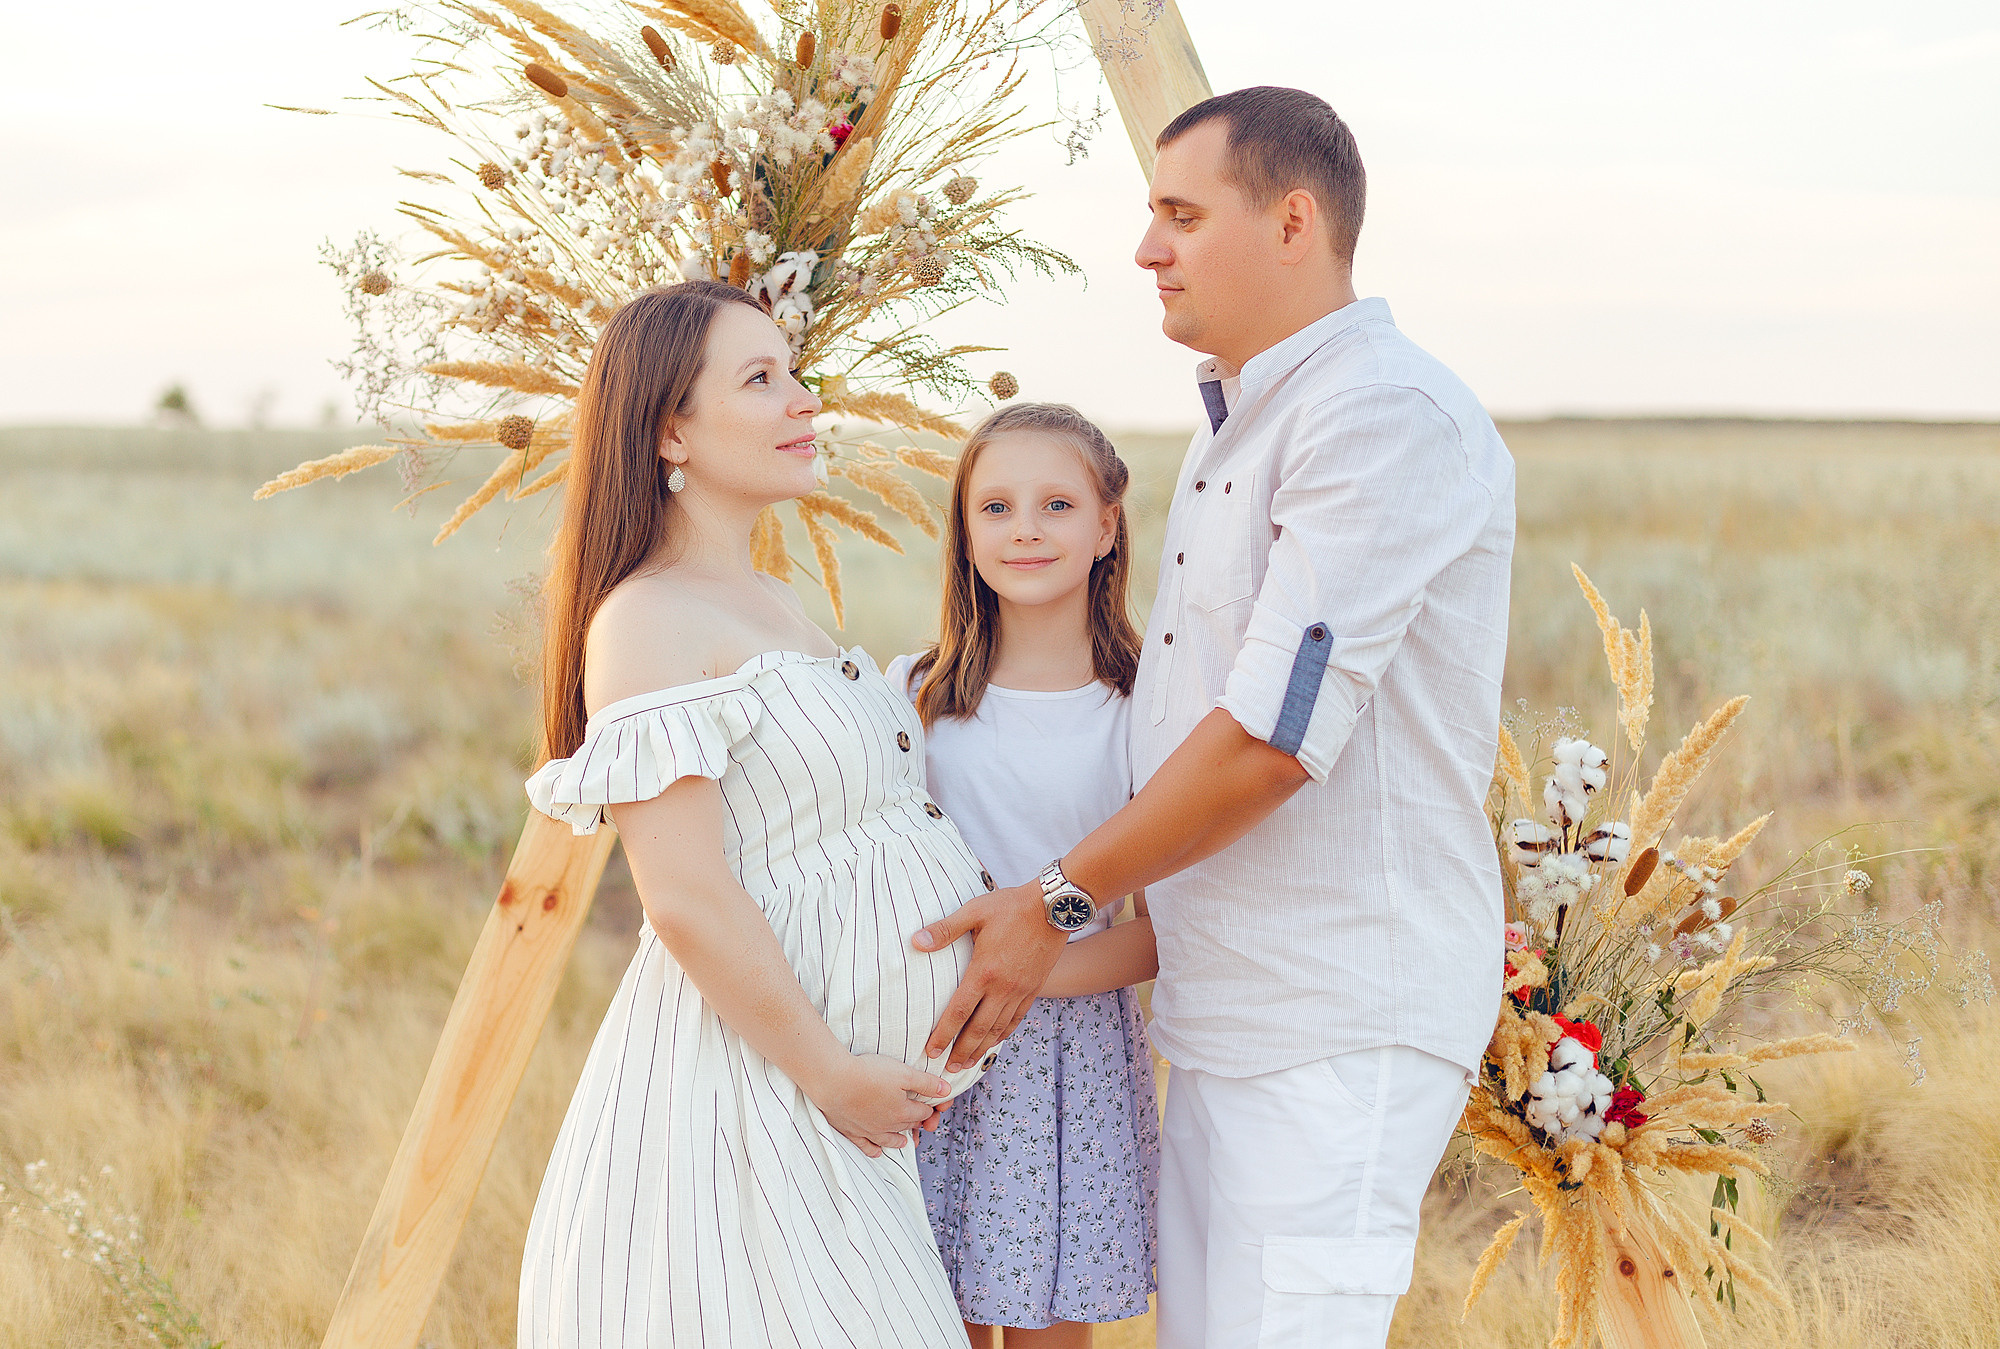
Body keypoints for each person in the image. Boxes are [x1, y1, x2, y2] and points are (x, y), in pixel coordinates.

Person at [912, 87, 1517, 1348]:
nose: (1146, 249)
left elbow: (1270, 737)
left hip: (1333, 1020)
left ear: (1293, 221)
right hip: (1227, 1014)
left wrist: (1050, 903)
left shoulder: (1378, 414)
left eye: (1180, 214)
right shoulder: (1239, 427)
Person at [517, 280, 998, 1348]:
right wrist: (832, 1076)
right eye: (761, 379)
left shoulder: (769, 598)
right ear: (669, 429)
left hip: (827, 1104)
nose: (803, 399)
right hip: (755, 1094)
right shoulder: (645, 616)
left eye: (794, 371)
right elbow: (683, 895)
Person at [885, 403, 1162, 1349]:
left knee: (1049, 1328)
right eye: (995, 507)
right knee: (929, 1318)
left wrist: (1025, 973)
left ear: (1106, 524)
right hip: (931, 1043)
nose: (1027, 529)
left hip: (1071, 1056)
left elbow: (1165, 929)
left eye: (1056, 503)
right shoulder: (913, 693)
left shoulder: (1143, 714)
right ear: (964, 532)